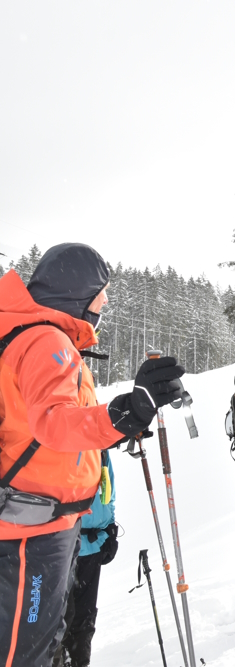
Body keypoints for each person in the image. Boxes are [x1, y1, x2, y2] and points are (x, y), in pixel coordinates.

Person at [0, 243, 184, 667]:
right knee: (26, 654)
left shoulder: (43, 337)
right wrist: (125, 412)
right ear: (77, 293)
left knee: (44, 644)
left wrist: (122, 423)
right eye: (101, 292)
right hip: (31, 531)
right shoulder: (47, 340)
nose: (105, 302)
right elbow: (55, 424)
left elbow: (53, 428)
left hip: (41, 519)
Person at [54, 452, 118, 667]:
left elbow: (109, 492)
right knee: (59, 616)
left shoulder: (100, 451)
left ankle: (79, 662)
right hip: (64, 545)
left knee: (85, 616)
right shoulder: (70, 443)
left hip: (93, 545)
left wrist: (110, 528)